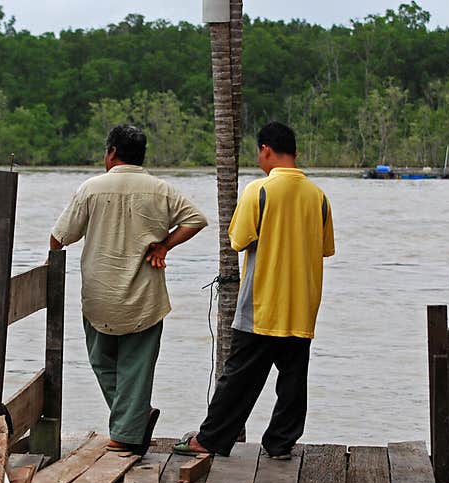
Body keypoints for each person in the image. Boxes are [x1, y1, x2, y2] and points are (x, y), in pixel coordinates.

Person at [174, 121, 335, 459]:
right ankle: (280, 443)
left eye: (259, 153)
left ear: (266, 150)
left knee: (238, 377)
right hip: (302, 304)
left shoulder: (258, 191)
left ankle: (211, 438)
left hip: (262, 302)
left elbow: (238, 239)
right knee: (293, 380)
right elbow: (324, 248)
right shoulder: (319, 197)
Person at [50, 124, 208, 456]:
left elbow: (60, 237)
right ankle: (134, 419)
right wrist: (164, 246)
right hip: (144, 296)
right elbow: (195, 219)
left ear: (110, 153)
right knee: (136, 367)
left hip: (99, 294)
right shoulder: (161, 190)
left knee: (100, 360)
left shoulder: (91, 189)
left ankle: (125, 432)